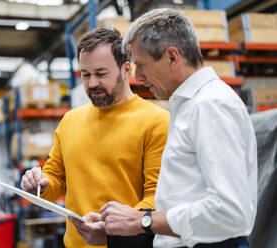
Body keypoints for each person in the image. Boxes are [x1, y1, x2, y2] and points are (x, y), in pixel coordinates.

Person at [99, 8, 257, 248]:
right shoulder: (189, 104)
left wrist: (143, 220)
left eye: (141, 65)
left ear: (172, 57)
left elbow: (231, 211)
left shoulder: (210, 106)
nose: (138, 77)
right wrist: (116, 231)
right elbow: (184, 201)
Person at [20, 27, 170, 248]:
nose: (92, 84)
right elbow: (55, 178)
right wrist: (39, 186)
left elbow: (157, 198)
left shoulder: (156, 121)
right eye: (86, 74)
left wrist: (113, 232)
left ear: (126, 69)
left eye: (101, 74)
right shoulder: (70, 121)